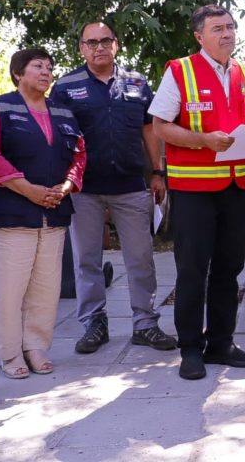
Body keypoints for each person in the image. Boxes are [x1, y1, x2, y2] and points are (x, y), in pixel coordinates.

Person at [148, 4, 245, 380]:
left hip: (236, 185)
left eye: (230, 27)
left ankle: (221, 343)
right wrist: (203, 141)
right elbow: (161, 126)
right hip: (194, 188)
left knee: (230, 269)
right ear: (199, 36)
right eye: (218, 29)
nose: (227, 34)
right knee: (193, 271)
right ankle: (190, 349)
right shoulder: (180, 71)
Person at [52, 22, 176, 355]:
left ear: (116, 45)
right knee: (86, 261)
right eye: (91, 42)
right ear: (81, 48)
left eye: (105, 41)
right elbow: (55, 136)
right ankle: (94, 324)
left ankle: (145, 324)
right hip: (84, 189)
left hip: (131, 185)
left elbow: (150, 130)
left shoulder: (136, 83)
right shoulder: (65, 86)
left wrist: (157, 172)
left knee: (141, 258)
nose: (99, 47)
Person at [0, 48, 86, 378]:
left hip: (53, 214)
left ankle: (36, 346)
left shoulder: (64, 112)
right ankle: (10, 354)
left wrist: (66, 187)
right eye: (37, 66)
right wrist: (28, 189)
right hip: (10, 214)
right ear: (17, 73)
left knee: (45, 287)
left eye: (49, 67)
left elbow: (80, 155)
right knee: (9, 290)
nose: (46, 72)